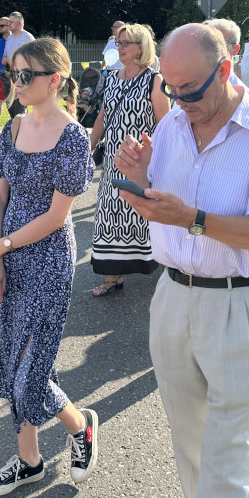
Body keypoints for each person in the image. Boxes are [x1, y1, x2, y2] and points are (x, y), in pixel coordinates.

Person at [112, 23, 249, 498]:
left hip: (241, 302)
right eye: (170, 89)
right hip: (174, 298)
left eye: (191, 89)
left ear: (225, 69)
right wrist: (136, 182)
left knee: (227, 453)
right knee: (190, 443)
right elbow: (158, 210)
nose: (180, 101)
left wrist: (195, 220)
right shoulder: (172, 126)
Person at [0, 37, 97, 497]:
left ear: (54, 81)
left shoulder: (73, 138)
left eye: (25, 75)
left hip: (48, 260)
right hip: (7, 256)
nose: (16, 82)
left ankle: (79, 426)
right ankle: (31, 460)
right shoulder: (12, 129)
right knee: (16, 363)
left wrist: (1, 245)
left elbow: (56, 217)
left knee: (30, 371)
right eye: (13, 73)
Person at [87, 23, 170, 297]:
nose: (119, 47)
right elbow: (102, 116)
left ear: (141, 47)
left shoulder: (154, 80)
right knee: (110, 214)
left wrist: (160, 158)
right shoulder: (111, 77)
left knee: (145, 214)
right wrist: (89, 146)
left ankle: (168, 267)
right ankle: (113, 276)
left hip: (142, 160)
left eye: (125, 43)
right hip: (113, 159)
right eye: (118, 42)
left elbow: (165, 123)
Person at [2, 11, 35, 118]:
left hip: (22, 74)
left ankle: (21, 128)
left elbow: (33, 57)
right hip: (9, 73)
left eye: (11, 22)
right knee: (10, 104)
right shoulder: (10, 38)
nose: (8, 24)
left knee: (20, 105)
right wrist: (4, 58)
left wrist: (16, 61)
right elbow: (6, 53)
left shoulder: (28, 37)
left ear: (20, 23)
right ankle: (15, 127)